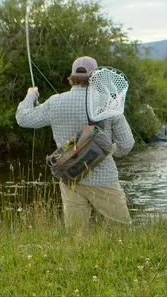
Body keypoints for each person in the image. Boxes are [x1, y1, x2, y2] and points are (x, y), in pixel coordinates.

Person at [15, 56, 136, 231]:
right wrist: (110, 151)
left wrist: (31, 95)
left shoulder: (55, 102)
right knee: (122, 232)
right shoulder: (107, 103)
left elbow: (23, 118)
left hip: (70, 177)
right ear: (96, 77)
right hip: (104, 178)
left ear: (71, 77)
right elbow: (126, 144)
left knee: (76, 236)